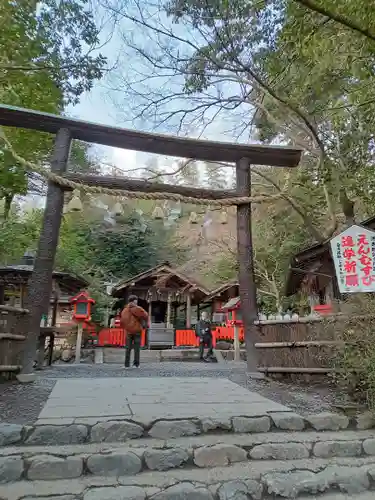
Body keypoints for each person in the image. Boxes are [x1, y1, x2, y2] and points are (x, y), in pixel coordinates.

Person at [120, 295, 149, 368]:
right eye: (136, 300)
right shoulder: (137, 309)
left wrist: (126, 327)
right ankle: (136, 364)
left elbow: (122, 321)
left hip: (128, 331)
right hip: (137, 331)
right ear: (134, 301)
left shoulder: (124, 310)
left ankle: (126, 365)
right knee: (136, 348)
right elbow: (145, 315)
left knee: (128, 348)